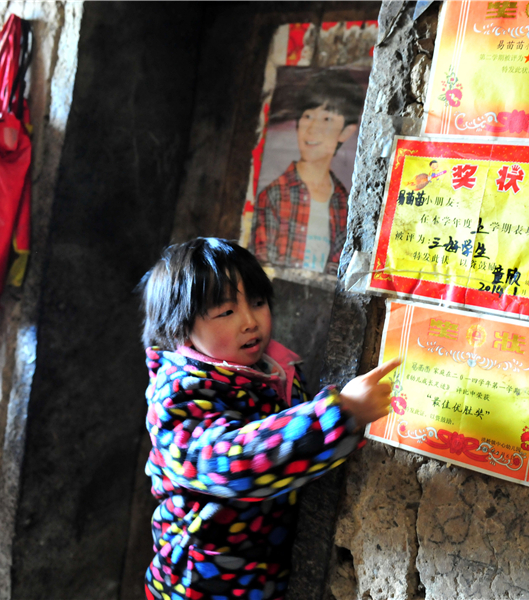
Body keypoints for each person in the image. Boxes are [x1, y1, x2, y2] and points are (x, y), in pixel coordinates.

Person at [140, 238, 400, 600]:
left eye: (258, 303)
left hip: (262, 577)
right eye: (225, 311)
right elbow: (230, 464)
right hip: (200, 584)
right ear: (182, 328)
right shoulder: (178, 397)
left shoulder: (272, 370)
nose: (250, 321)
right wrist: (338, 416)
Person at [250, 70, 364, 275]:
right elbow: (259, 270)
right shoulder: (275, 194)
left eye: (327, 119)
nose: (312, 129)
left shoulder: (344, 202)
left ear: (346, 131)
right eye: (308, 116)